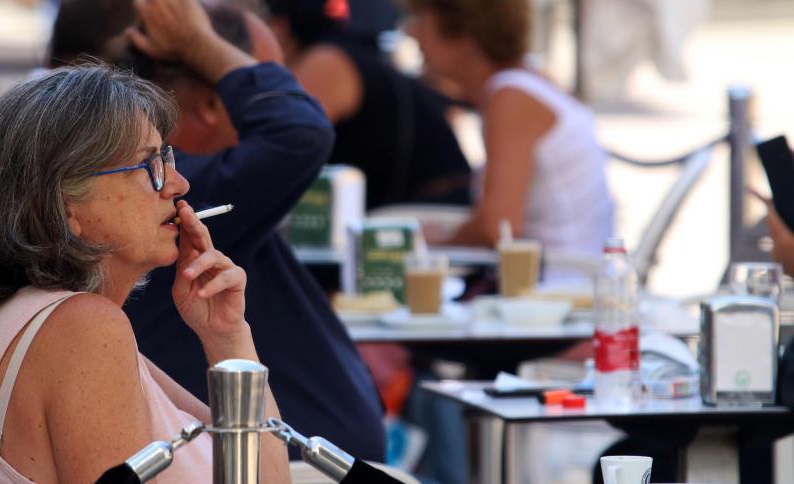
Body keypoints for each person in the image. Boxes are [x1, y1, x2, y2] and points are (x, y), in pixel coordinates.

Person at [49, 0, 386, 461]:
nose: (177, 184)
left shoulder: (158, 204)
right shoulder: (140, 206)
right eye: (254, 77)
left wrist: (228, 338)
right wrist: (199, 43)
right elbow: (299, 132)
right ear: (212, 101)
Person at [0, 59, 291, 482]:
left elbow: (256, 473)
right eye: (149, 166)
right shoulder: (81, 332)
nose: (179, 185)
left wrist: (226, 336)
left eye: (167, 159)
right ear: (64, 206)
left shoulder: (55, 321)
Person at [403, 0, 614, 281]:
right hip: (558, 280)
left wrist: (428, 246)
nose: (410, 32)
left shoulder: (510, 97)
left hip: (554, 291)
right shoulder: (523, 82)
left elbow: (497, 227)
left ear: (464, 33)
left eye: (420, 19)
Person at [265, 0, 472, 210]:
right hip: (413, 217)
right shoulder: (346, 53)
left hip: (429, 218)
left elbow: (270, 153)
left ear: (279, 27)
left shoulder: (326, 62)